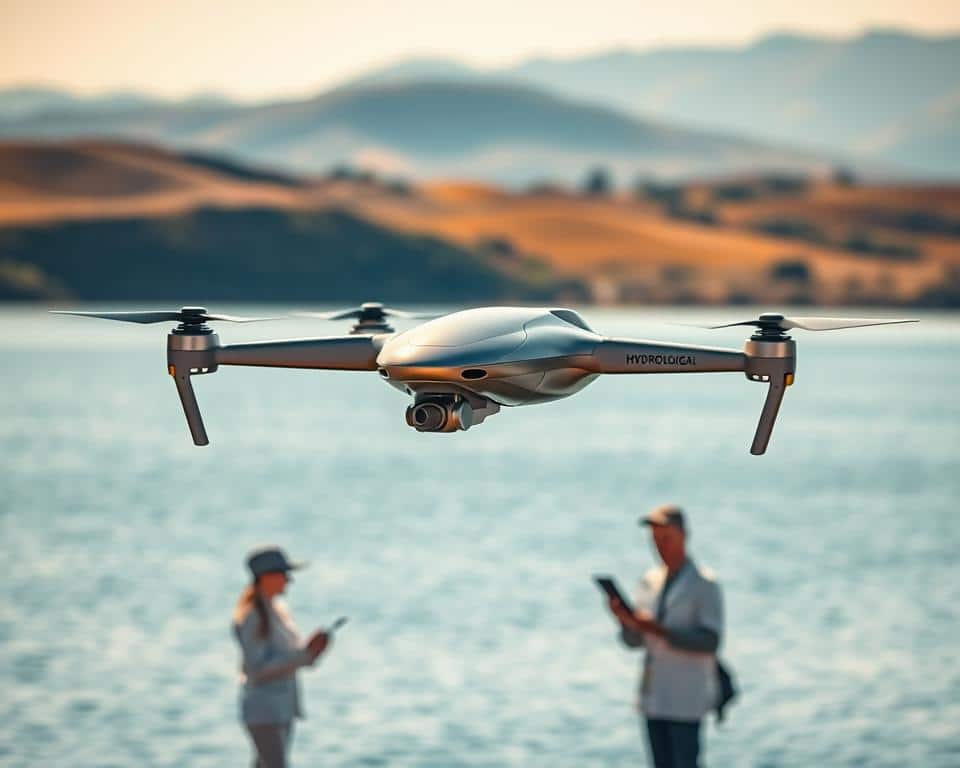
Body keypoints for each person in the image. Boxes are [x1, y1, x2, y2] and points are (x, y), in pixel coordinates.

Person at [607, 504, 724, 768]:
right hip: (654, 696)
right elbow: (635, 642)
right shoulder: (650, 580)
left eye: (665, 538)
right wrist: (626, 623)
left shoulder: (704, 583)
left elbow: (710, 642)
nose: (659, 546)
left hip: (686, 699)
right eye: (655, 540)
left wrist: (657, 630)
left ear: (683, 536)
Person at [232, 546, 332, 768]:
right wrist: (305, 656)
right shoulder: (252, 617)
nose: (289, 580)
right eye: (284, 574)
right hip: (264, 710)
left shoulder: (276, 610)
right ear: (267, 577)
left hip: (281, 708)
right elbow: (257, 670)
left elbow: (291, 658)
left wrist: (312, 652)